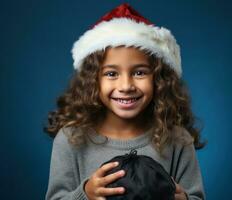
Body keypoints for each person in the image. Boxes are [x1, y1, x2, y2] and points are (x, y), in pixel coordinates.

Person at [44, 3, 206, 200]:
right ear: (93, 80)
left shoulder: (178, 139)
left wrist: (184, 199)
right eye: (111, 73)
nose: (126, 85)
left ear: (159, 79)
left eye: (139, 72)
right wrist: (85, 194)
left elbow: (196, 196)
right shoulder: (71, 139)